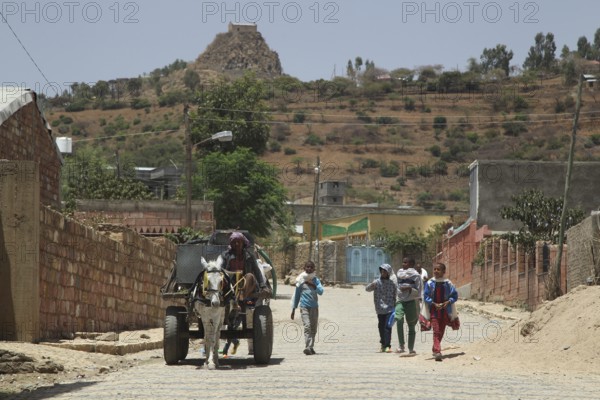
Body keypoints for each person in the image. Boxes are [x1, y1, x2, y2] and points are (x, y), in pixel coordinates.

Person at [219, 231, 271, 356]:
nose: (237, 244)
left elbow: (258, 273)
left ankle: (239, 299)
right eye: (234, 242)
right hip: (229, 286)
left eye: (239, 242)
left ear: (243, 243)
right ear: (231, 243)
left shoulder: (249, 256)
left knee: (249, 276)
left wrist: (263, 286)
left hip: (245, 286)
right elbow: (219, 269)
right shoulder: (225, 255)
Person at [423, 262, 458, 362]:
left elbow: (454, 296)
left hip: (445, 311)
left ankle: (435, 348)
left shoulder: (448, 283)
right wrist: (433, 303)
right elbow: (426, 296)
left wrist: (448, 302)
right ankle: (438, 351)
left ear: (444, 271)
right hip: (434, 311)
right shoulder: (429, 283)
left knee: (441, 331)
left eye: (438, 269)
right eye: (435, 269)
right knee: (436, 331)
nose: (436, 271)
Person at [291, 260, 324, 355]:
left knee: (313, 328)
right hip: (304, 307)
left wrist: (313, 285)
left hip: (314, 308)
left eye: (311, 267)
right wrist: (293, 309)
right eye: (307, 267)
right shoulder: (301, 280)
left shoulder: (316, 280)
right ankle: (308, 347)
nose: (309, 269)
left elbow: (321, 292)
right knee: (307, 326)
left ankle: (311, 347)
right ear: (304, 268)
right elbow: (296, 296)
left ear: (314, 269)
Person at [365, 264, 397, 353]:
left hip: (390, 308)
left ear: (388, 272)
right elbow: (367, 289)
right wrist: (372, 285)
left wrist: (396, 305)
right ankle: (383, 343)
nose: (383, 273)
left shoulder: (392, 283)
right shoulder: (376, 282)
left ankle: (387, 345)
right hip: (379, 309)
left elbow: (395, 295)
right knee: (381, 327)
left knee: (388, 327)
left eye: (385, 271)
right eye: (382, 271)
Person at [394, 257, 423, 355]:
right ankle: (401, 345)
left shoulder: (416, 276)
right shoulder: (399, 273)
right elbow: (397, 286)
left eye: (405, 262)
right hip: (400, 300)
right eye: (403, 262)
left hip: (411, 301)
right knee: (399, 319)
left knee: (411, 325)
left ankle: (411, 348)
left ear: (411, 264)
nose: (403, 264)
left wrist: (410, 288)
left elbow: (419, 290)